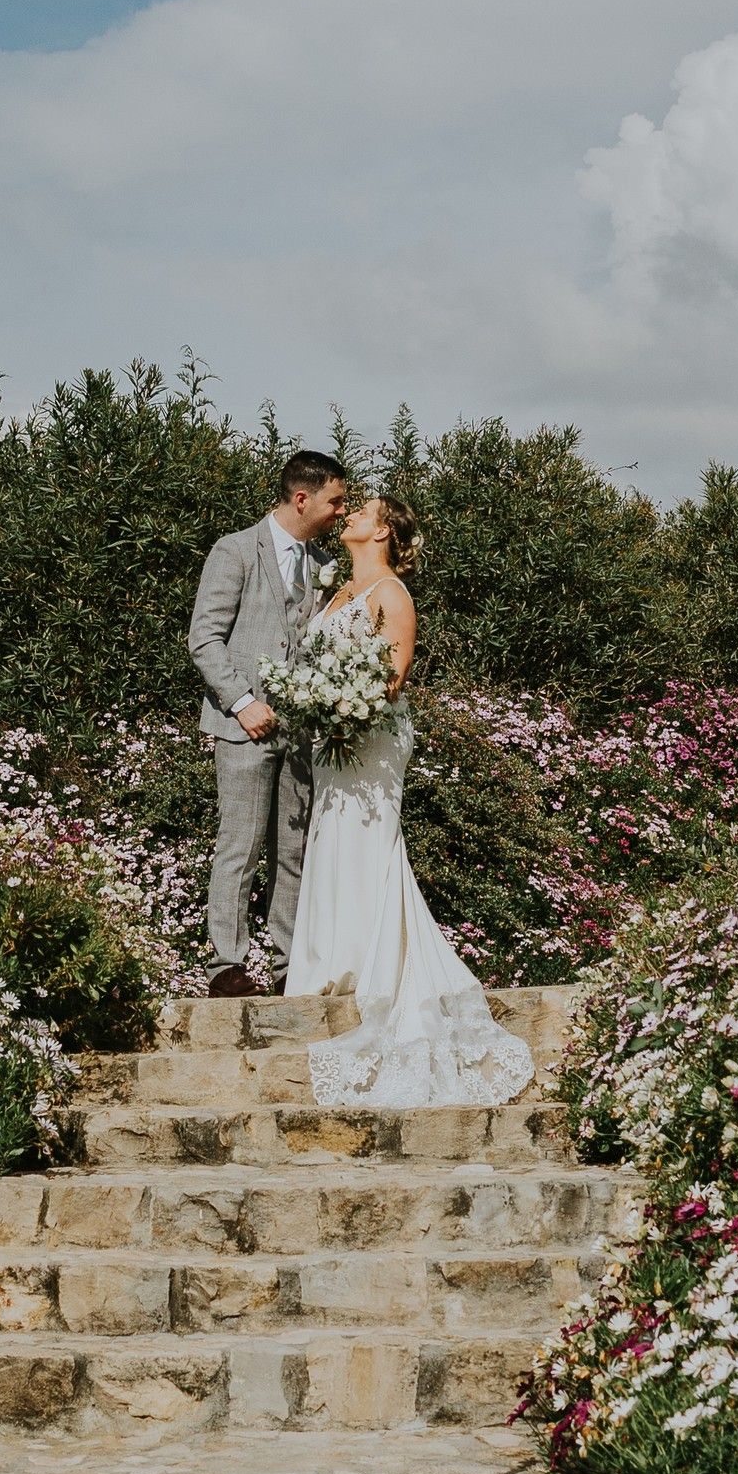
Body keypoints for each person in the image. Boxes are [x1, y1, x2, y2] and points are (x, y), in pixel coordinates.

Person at [284, 490, 534, 1108]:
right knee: (330, 839)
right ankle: (327, 965)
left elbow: (392, 679)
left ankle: (372, 968)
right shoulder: (336, 592)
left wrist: (341, 703)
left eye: (363, 512)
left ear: (384, 532)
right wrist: (314, 700)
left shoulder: (392, 595)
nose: (350, 516)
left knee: (366, 842)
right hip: (331, 733)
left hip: (369, 736)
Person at [186, 449, 351, 996]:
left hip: (300, 731)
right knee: (241, 845)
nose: (340, 511)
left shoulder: (322, 563)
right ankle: (226, 968)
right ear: (301, 498)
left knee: (294, 851)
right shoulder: (234, 550)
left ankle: (289, 968)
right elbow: (204, 638)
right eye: (335, 500)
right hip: (243, 726)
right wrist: (241, 701)